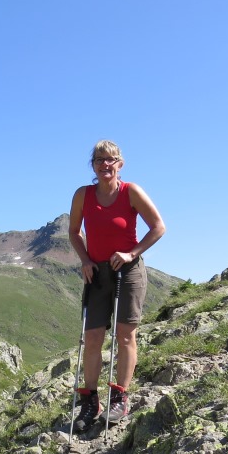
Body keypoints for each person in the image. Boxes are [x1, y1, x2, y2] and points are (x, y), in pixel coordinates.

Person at [68, 139, 166, 432]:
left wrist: (132, 253)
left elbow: (158, 226)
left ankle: (120, 397)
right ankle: (90, 401)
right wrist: (85, 259)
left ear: (119, 164)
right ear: (93, 166)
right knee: (93, 337)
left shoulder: (131, 192)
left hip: (128, 271)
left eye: (110, 160)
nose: (105, 164)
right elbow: (74, 231)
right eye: (99, 160)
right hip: (97, 272)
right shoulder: (83, 195)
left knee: (125, 335)